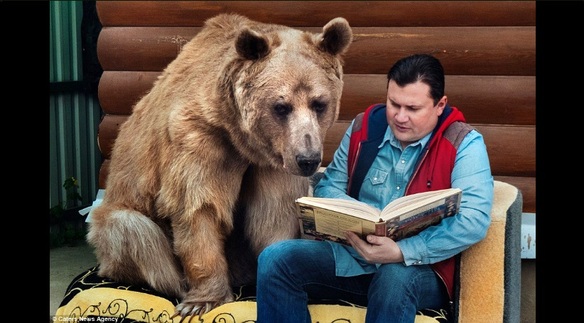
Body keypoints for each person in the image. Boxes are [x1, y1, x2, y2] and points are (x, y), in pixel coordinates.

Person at [255, 53, 494, 323]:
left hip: (418, 270)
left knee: (393, 278)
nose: (400, 117)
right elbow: (329, 186)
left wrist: (403, 251)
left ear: (440, 105)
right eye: (394, 104)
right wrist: (358, 214)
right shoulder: (364, 127)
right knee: (278, 259)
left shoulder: (465, 143)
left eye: (413, 109)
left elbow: (473, 220)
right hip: (353, 257)